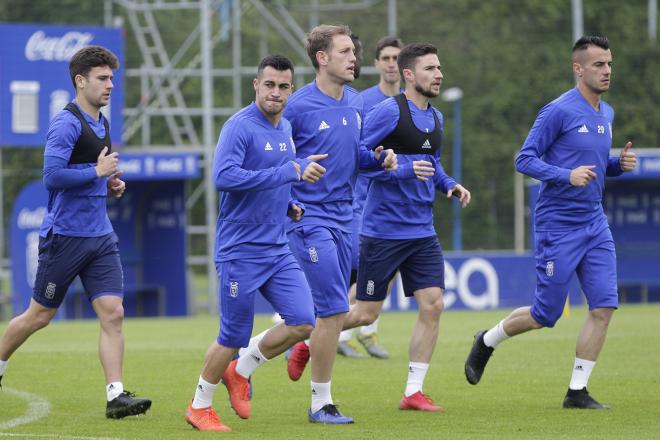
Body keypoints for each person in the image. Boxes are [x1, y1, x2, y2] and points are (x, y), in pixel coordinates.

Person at [464, 36, 637, 410]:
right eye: (598, 65)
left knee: (604, 307)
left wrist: (615, 167)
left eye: (609, 64)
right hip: (558, 227)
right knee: (546, 315)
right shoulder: (558, 110)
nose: (606, 71)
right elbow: (524, 159)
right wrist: (564, 175)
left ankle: (577, 391)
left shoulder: (606, 113)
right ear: (578, 68)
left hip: (595, 224)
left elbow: (591, 167)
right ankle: (488, 340)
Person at [0, 46, 151, 419]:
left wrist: (110, 183)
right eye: (102, 78)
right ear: (80, 81)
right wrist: (96, 174)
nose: (110, 85)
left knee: (113, 313)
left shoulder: (102, 121)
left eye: (112, 78)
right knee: (39, 316)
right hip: (64, 237)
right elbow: (51, 177)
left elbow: (93, 170)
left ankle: (116, 396)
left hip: (100, 236)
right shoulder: (66, 123)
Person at [183, 55, 327, 432]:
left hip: (277, 248)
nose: (275, 93)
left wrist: (290, 204)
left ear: (290, 91)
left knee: (303, 321)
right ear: (256, 85)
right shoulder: (239, 127)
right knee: (231, 336)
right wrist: (288, 171)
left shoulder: (287, 128)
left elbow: (275, 181)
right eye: (269, 85)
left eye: (283, 87)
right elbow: (224, 176)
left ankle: (241, 369)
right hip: (240, 251)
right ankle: (199, 405)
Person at [339, 42, 471, 413]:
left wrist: (449, 184)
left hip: (422, 232)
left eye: (440, 68)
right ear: (409, 75)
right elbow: (358, 158)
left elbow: (435, 163)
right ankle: (307, 339)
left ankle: (413, 391)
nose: (439, 74)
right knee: (365, 314)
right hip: (382, 232)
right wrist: (396, 167)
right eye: (431, 68)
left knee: (434, 304)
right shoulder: (388, 112)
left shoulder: (437, 118)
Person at [282, 24, 396, 424]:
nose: (354, 58)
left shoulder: (353, 102)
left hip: (347, 219)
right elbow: (277, 161)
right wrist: (290, 201)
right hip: (310, 221)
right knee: (333, 309)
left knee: (317, 316)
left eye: (354, 51)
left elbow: (355, 154)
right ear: (322, 58)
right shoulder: (296, 107)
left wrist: (377, 158)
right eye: (346, 51)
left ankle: (245, 361)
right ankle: (321, 403)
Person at [339, 36, 406, 360]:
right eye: (386, 58)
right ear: (377, 64)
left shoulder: (413, 102)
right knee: (365, 272)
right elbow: (356, 151)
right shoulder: (363, 101)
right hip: (364, 202)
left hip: (399, 203)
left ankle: (362, 330)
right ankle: (323, 328)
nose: (392, 63)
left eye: (397, 58)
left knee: (387, 272)